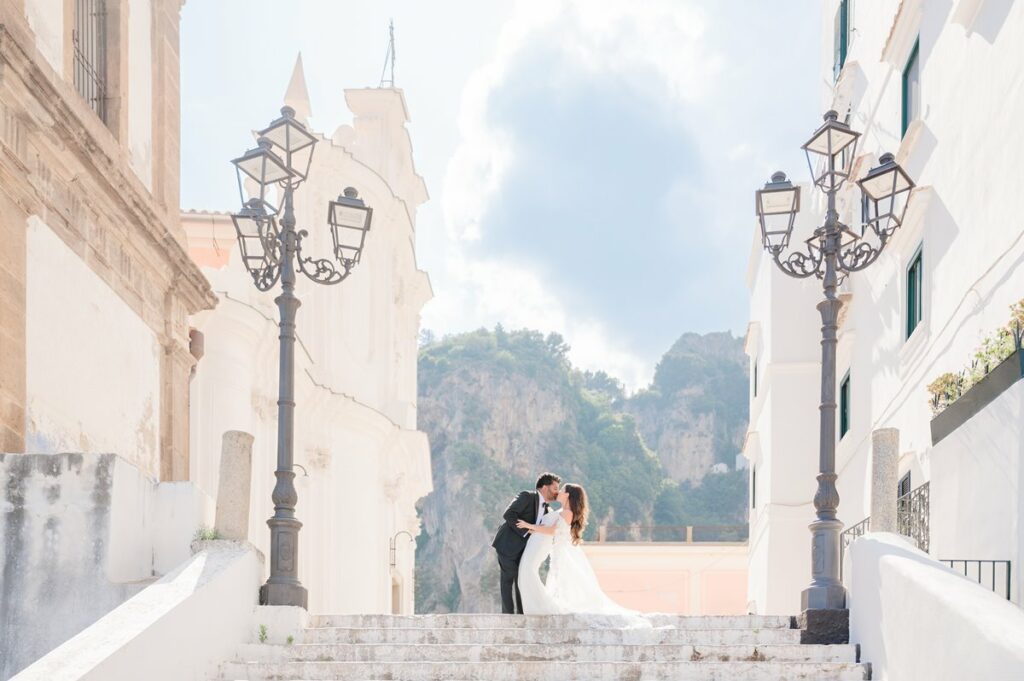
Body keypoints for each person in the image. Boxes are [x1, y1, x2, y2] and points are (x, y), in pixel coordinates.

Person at [516, 482, 636, 616]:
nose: (558, 492)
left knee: (566, 578)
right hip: (558, 551)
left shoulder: (567, 513)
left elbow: (552, 531)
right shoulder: (563, 512)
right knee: (562, 578)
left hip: (563, 552)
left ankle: (561, 608)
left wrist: (529, 526)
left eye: (562, 490)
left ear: (567, 495)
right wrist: (536, 530)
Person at [491, 472, 561, 614]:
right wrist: (526, 531)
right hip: (507, 544)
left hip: (525, 550)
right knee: (508, 579)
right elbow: (509, 514)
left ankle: (521, 614)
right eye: (555, 488)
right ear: (544, 487)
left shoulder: (548, 510)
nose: (557, 492)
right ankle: (508, 616)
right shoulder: (527, 496)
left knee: (521, 580)